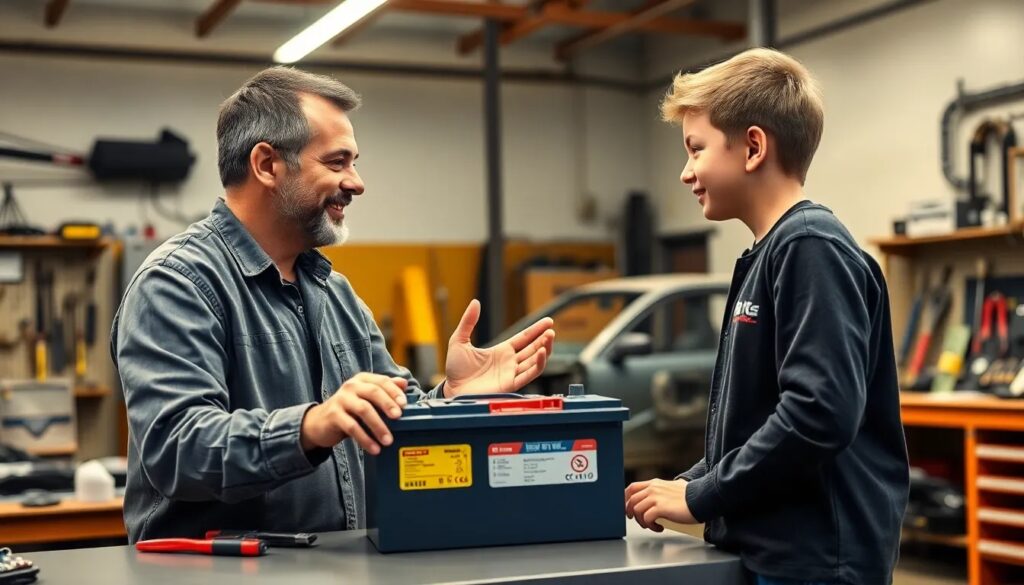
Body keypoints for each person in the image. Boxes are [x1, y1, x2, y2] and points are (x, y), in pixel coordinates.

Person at [112, 67, 555, 543]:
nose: (357, 182)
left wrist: (451, 398)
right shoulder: (177, 283)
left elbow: (388, 425)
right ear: (267, 165)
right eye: (338, 162)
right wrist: (311, 425)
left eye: (355, 162)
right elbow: (178, 450)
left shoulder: (333, 292)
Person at [624, 48, 909, 585]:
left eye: (696, 149)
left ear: (753, 147)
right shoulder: (771, 253)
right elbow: (758, 421)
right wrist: (690, 481)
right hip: (775, 554)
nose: (685, 172)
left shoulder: (811, 248)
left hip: (818, 563)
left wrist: (704, 496)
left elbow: (817, 412)